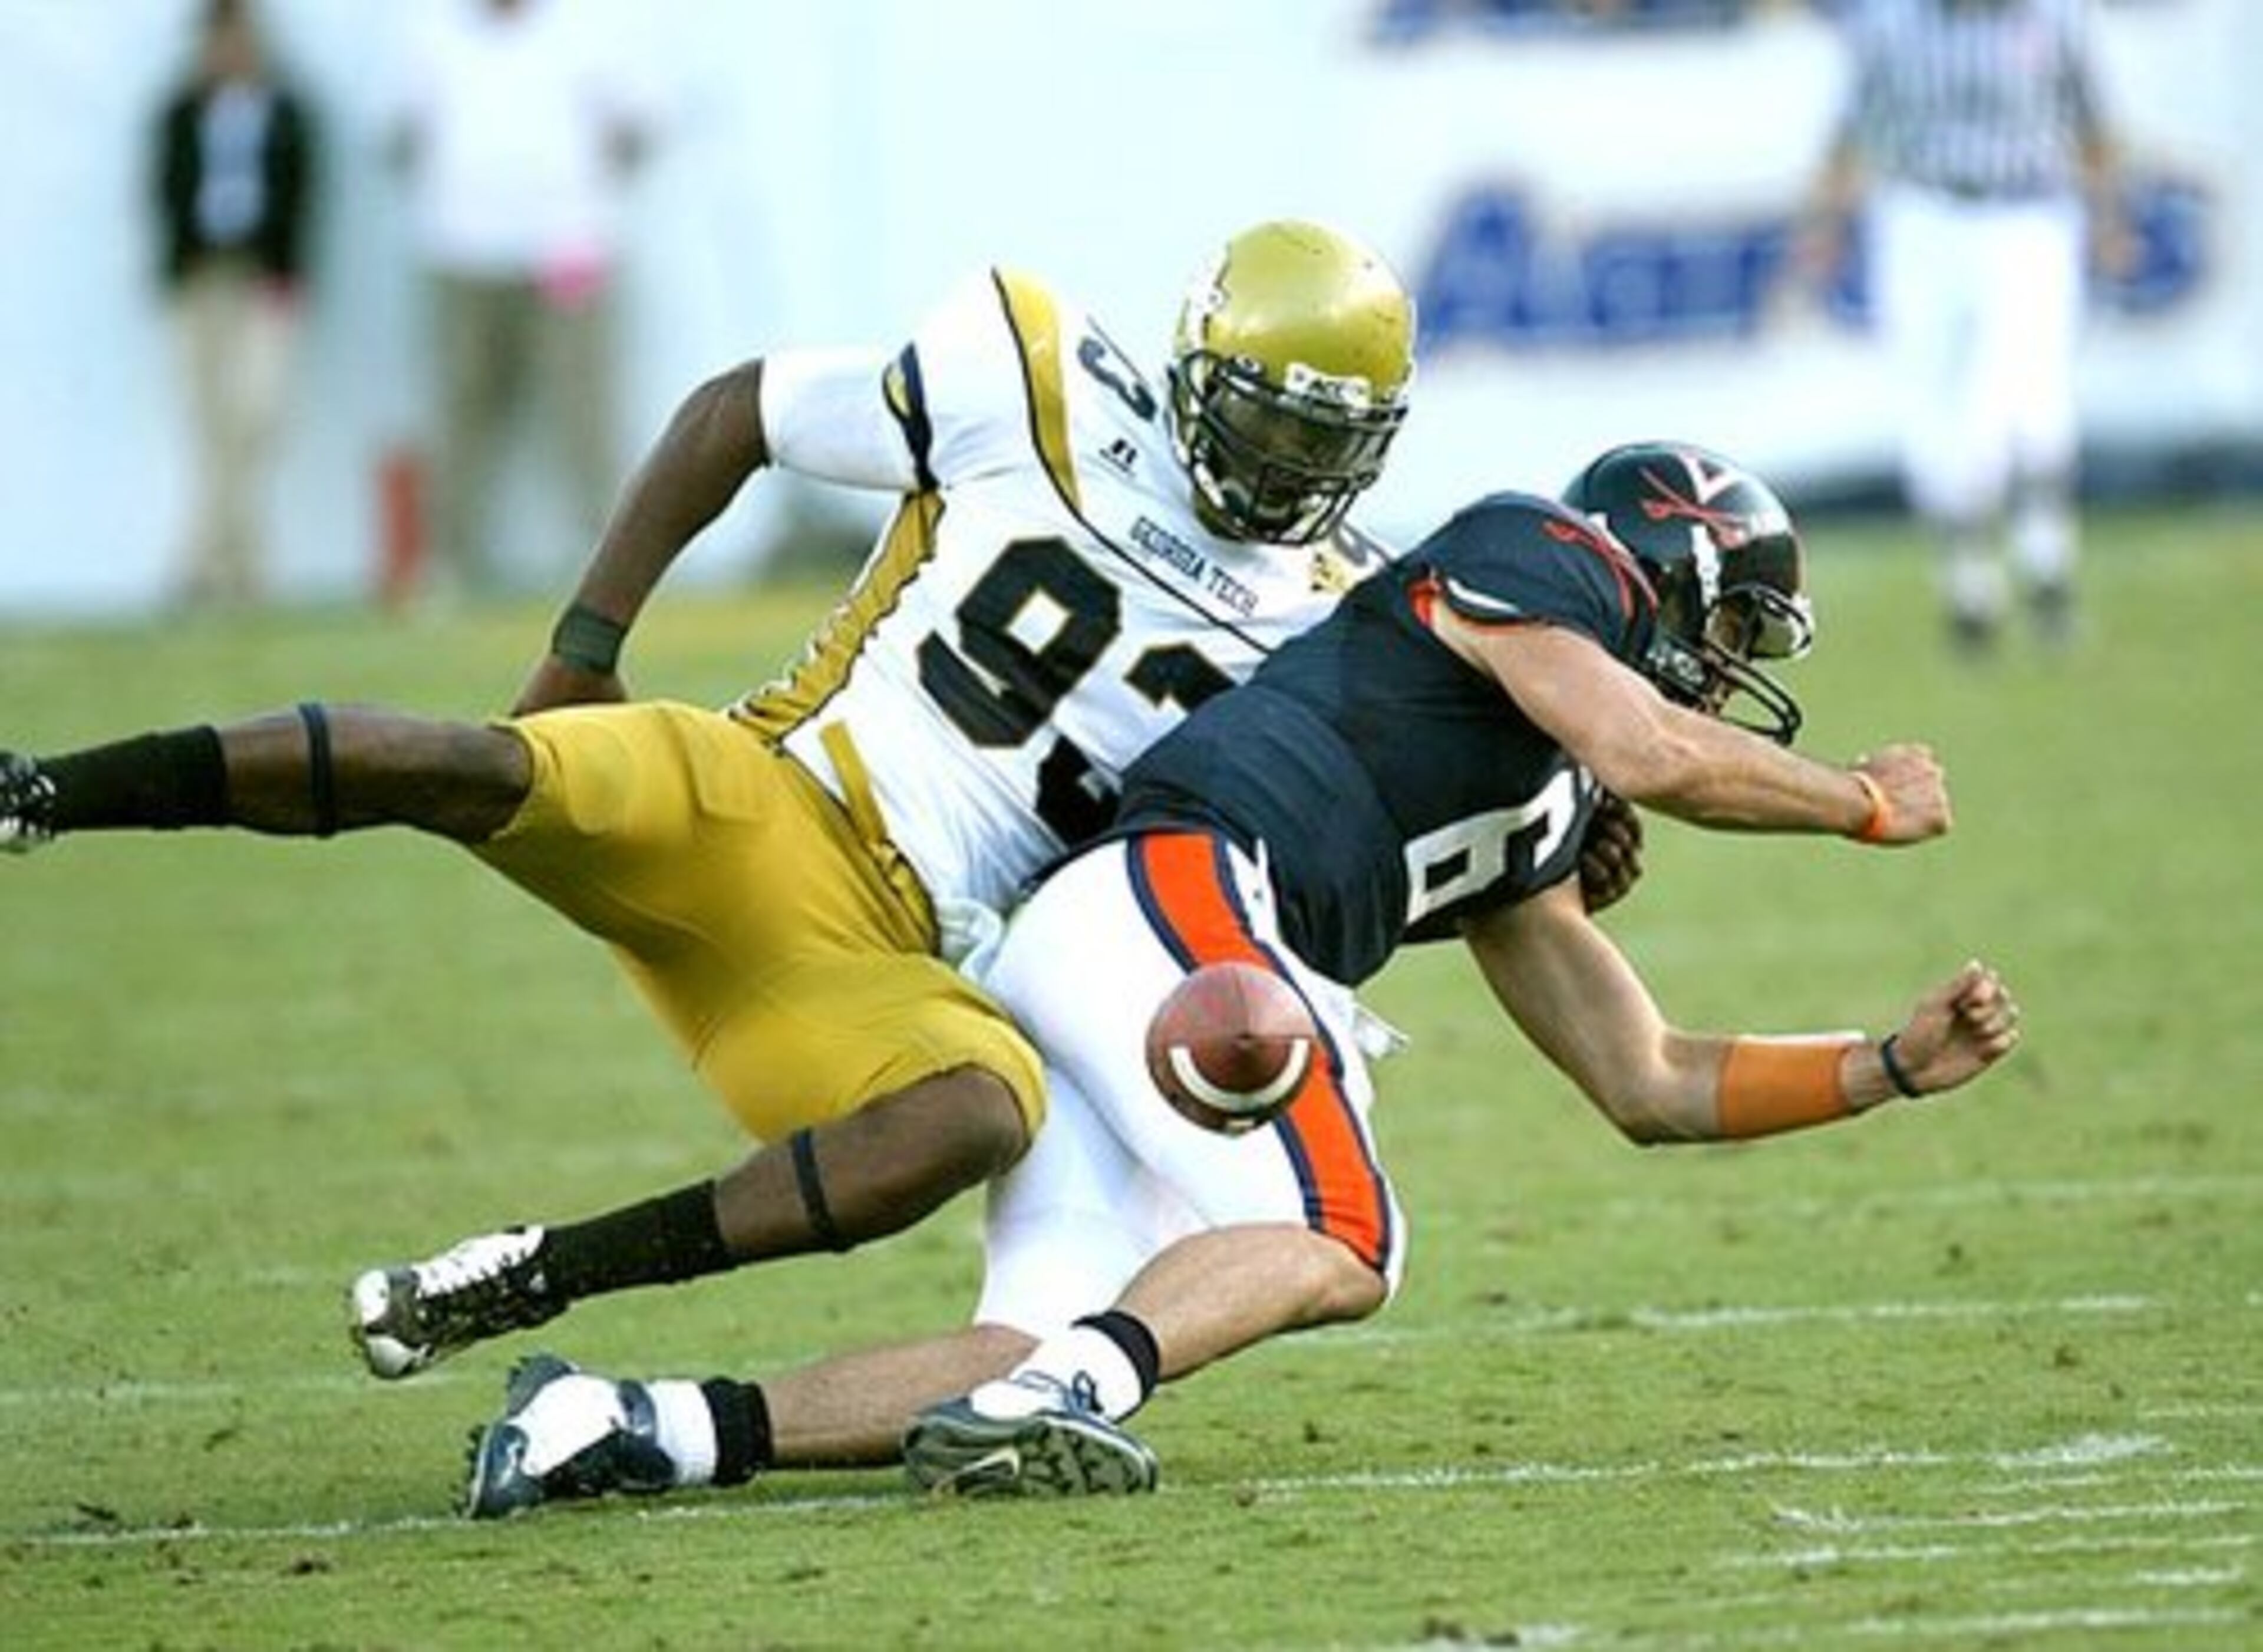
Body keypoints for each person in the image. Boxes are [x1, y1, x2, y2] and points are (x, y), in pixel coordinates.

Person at [446, 441, 2024, 1516]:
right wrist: (1860, 799)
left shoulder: (1528, 798)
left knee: (1030, 1338)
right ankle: (1070, 1394)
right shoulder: (1535, 555)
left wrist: (1880, 1064)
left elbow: (1650, 1078)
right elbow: (1648, 743)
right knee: (1344, 1232)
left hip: (1144, 965)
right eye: (1733, 616)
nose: (1735, 657)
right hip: (1181, 902)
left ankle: (628, 1424)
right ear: (1658, 560)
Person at [0, 219, 1420, 1383]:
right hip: (758, 795)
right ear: (1194, 367)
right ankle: (45, 789)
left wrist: (1554, 838)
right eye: (1270, 423)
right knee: (470, 762)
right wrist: (582, 648)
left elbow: (1356, 822)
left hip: (871, 958)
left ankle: (537, 1270)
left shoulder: (1339, 619)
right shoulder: (1038, 378)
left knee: (980, 1109)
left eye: (1327, 444)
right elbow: (734, 410)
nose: (1286, 469)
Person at [1795, 0, 2135, 654]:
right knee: (1933, 407)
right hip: (1922, 216)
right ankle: (1970, 585)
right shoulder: (1890, 22)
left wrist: (2109, 217)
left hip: (2027, 218)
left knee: (2020, 398)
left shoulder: (2055, 18)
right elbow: (1850, 130)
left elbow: (2092, 125)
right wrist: (1824, 226)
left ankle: (2047, 564)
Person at [385, 0, 658, 596]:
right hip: (464, 247)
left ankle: (612, 569)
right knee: (463, 408)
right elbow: (401, 132)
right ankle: (448, 561)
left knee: (584, 411)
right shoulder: (433, 31)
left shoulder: (590, 27)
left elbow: (636, 127)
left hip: (568, 248)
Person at [151, 0, 319, 609]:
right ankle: (218, 564)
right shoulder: (182, 113)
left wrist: (289, 269)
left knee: (255, 416)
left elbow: (303, 194)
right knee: (207, 420)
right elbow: (165, 191)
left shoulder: (285, 112)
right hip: (204, 277)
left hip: (260, 274)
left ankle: (226, 559)